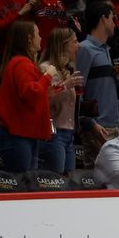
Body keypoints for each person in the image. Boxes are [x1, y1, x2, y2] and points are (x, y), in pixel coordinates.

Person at [0, 21, 57, 172]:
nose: (41, 38)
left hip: (21, 136)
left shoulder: (19, 63)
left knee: (26, 184)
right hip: (18, 137)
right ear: (29, 39)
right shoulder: (22, 63)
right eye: (38, 35)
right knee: (23, 185)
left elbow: (32, 95)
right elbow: (31, 93)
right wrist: (48, 75)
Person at [77, 1, 119, 166]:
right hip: (98, 127)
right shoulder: (84, 49)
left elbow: (102, 88)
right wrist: (91, 124)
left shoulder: (106, 50)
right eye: (112, 19)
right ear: (103, 19)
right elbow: (78, 91)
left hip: (113, 125)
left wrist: (118, 77)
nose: (115, 24)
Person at [38, 28, 83, 174]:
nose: (79, 45)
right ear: (63, 45)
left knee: (69, 183)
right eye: (75, 42)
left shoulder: (68, 69)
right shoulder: (45, 69)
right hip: (53, 133)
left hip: (69, 134)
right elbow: (42, 100)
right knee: (54, 181)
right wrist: (65, 86)